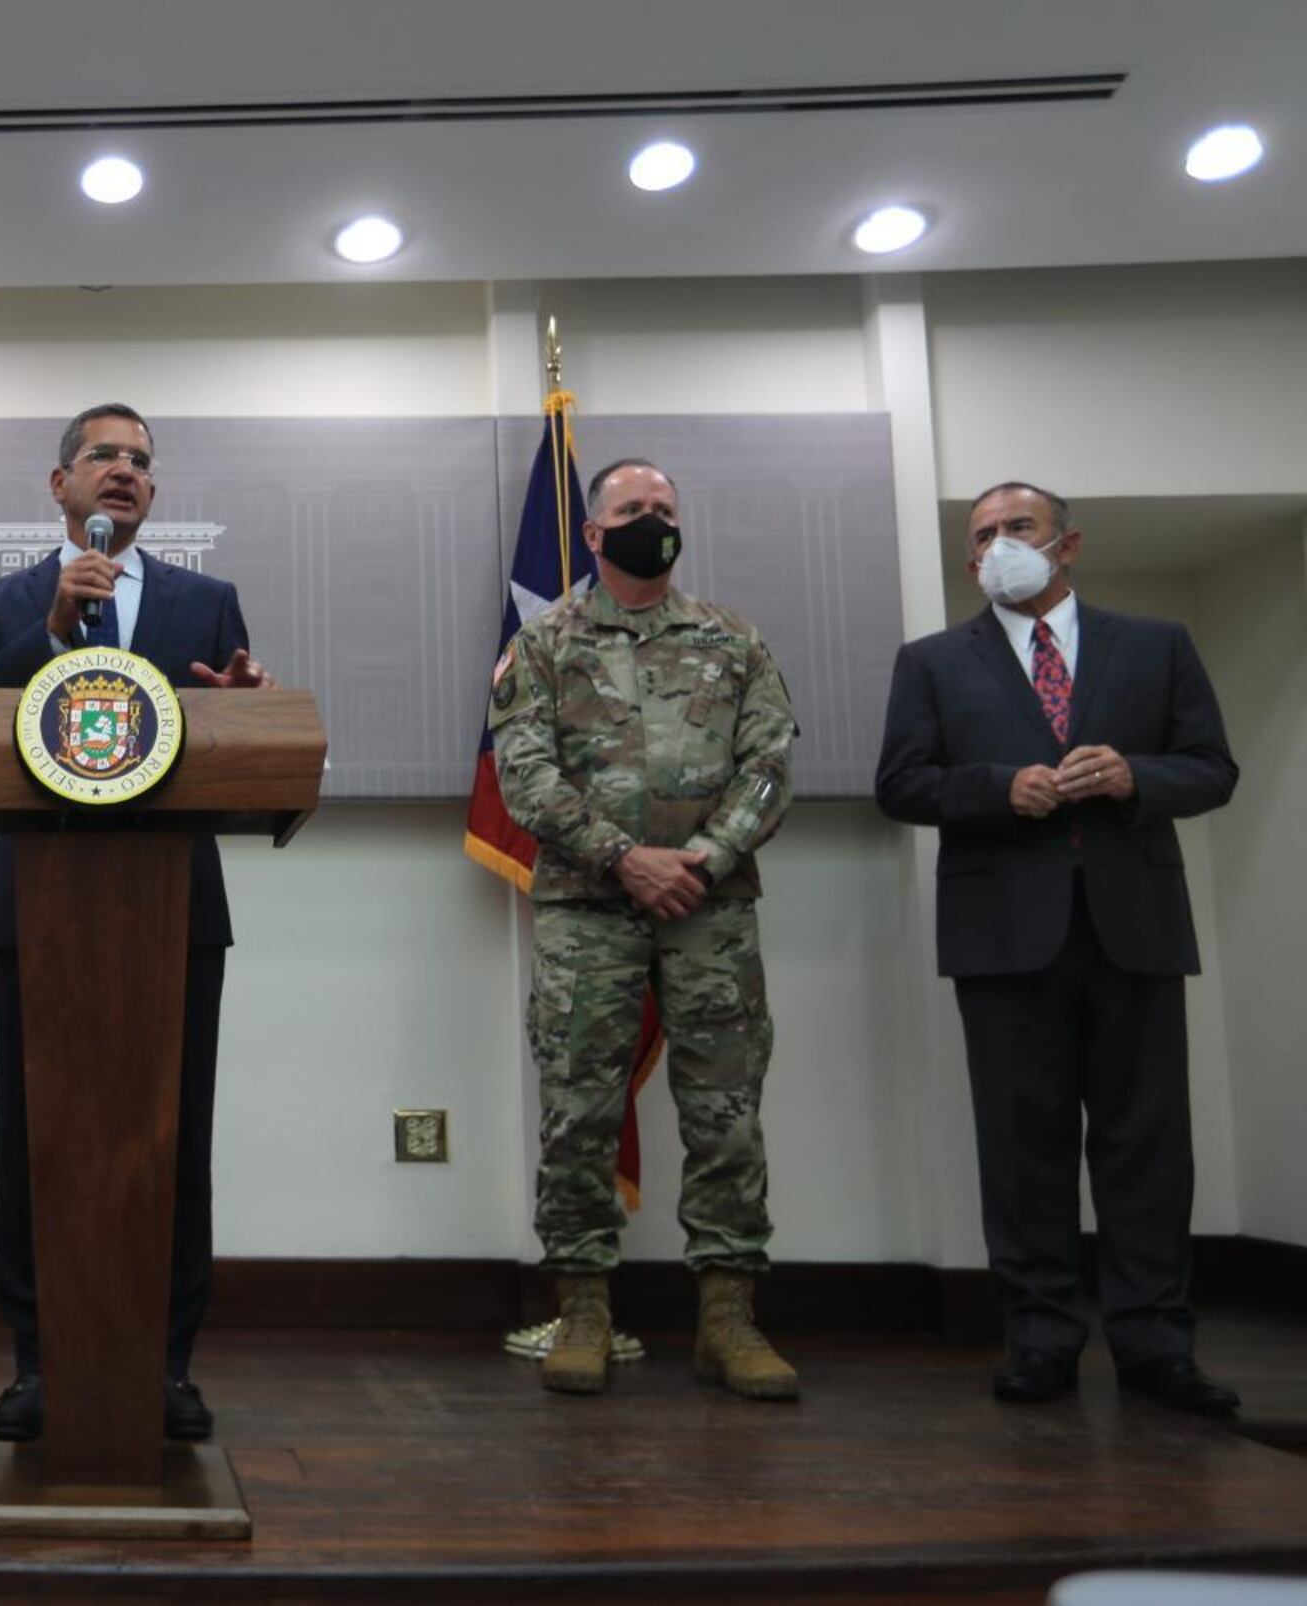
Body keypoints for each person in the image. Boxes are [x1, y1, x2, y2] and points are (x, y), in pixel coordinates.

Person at [0, 402, 275, 1444]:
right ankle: (36, 1365)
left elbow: (228, 737)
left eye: (140, 461)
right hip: (37, 911)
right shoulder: (1, 600)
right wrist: (47, 629)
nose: (124, 472)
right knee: (35, 1141)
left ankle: (167, 1366)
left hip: (175, 910)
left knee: (173, 1142)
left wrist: (239, 706)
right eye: (103, 457)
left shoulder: (205, 599)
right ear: (60, 486)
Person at [876, 482, 1240, 1416]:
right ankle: (1040, 1340)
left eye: (1018, 529)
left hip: (1136, 931)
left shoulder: (1156, 645)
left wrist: (1134, 775)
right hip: (1003, 938)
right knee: (1022, 1148)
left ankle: (1157, 1345)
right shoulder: (931, 663)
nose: (999, 546)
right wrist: (999, 788)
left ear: (1067, 543)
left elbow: (1211, 768)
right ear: (969, 563)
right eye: (983, 536)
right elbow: (903, 784)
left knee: (1148, 1147)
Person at [488, 458, 799, 1401]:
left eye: (665, 509)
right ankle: (583, 1312)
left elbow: (770, 762)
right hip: (589, 907)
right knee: (579, 1110)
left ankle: (728, 1322)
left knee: (726, 1114)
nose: (651, 521)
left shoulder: (730, 638)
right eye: (632, 510)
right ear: (593, 532)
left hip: (711, 907)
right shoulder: (542, 642)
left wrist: (699, 859)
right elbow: (527, 775)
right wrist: (626, 857)